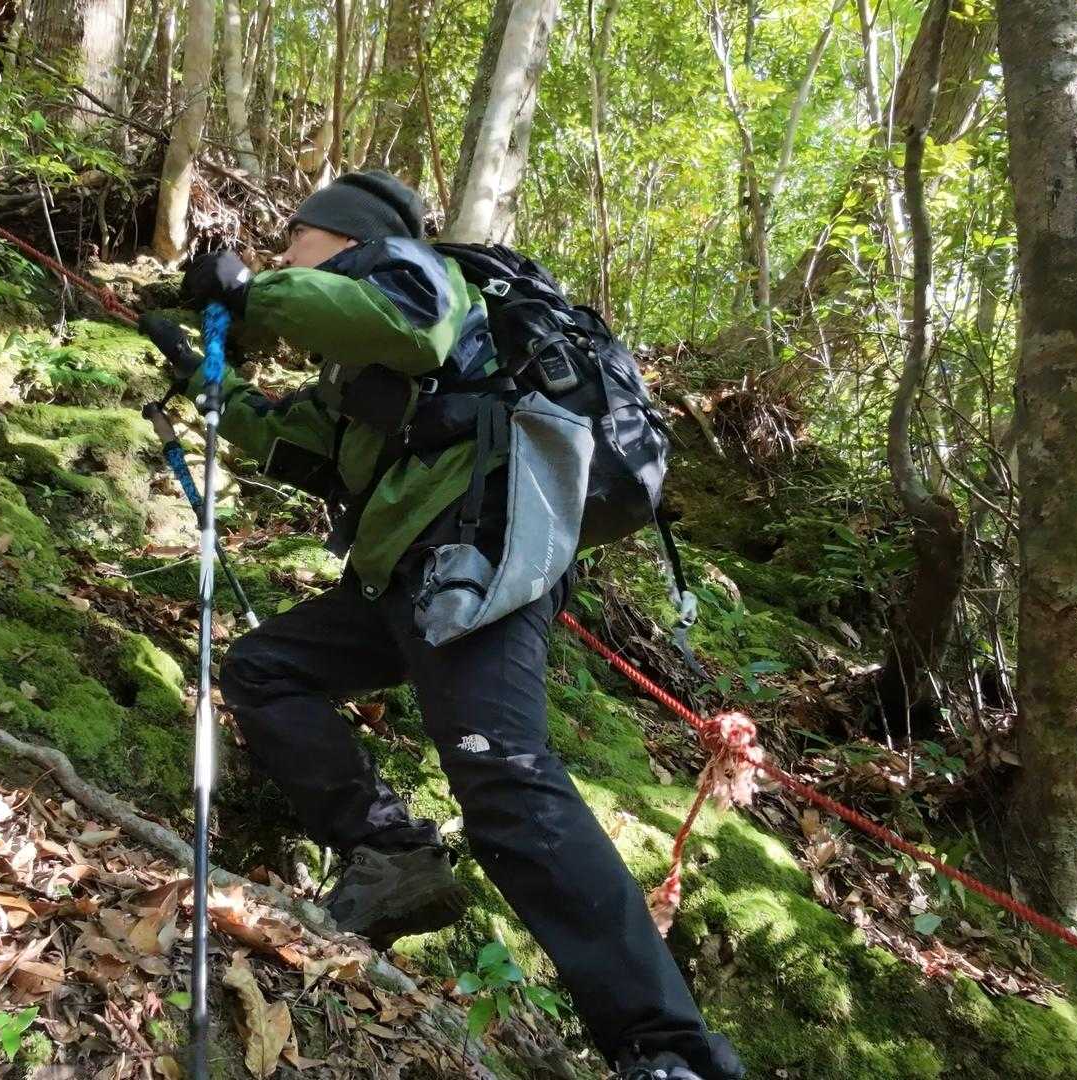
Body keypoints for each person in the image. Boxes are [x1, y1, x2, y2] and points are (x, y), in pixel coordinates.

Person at [143, 170, 744, 1080]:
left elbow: (408, 324)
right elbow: (306, 444)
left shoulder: (411, 272)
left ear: (343, 238)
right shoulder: (363, 367)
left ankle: (670, 1051)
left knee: (505, 778)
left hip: (480, 556)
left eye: (296, 238)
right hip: (409, 573)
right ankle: (388, 851)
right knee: (267, 669)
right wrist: (200, 375)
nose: (285, 250)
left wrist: (253, 293)